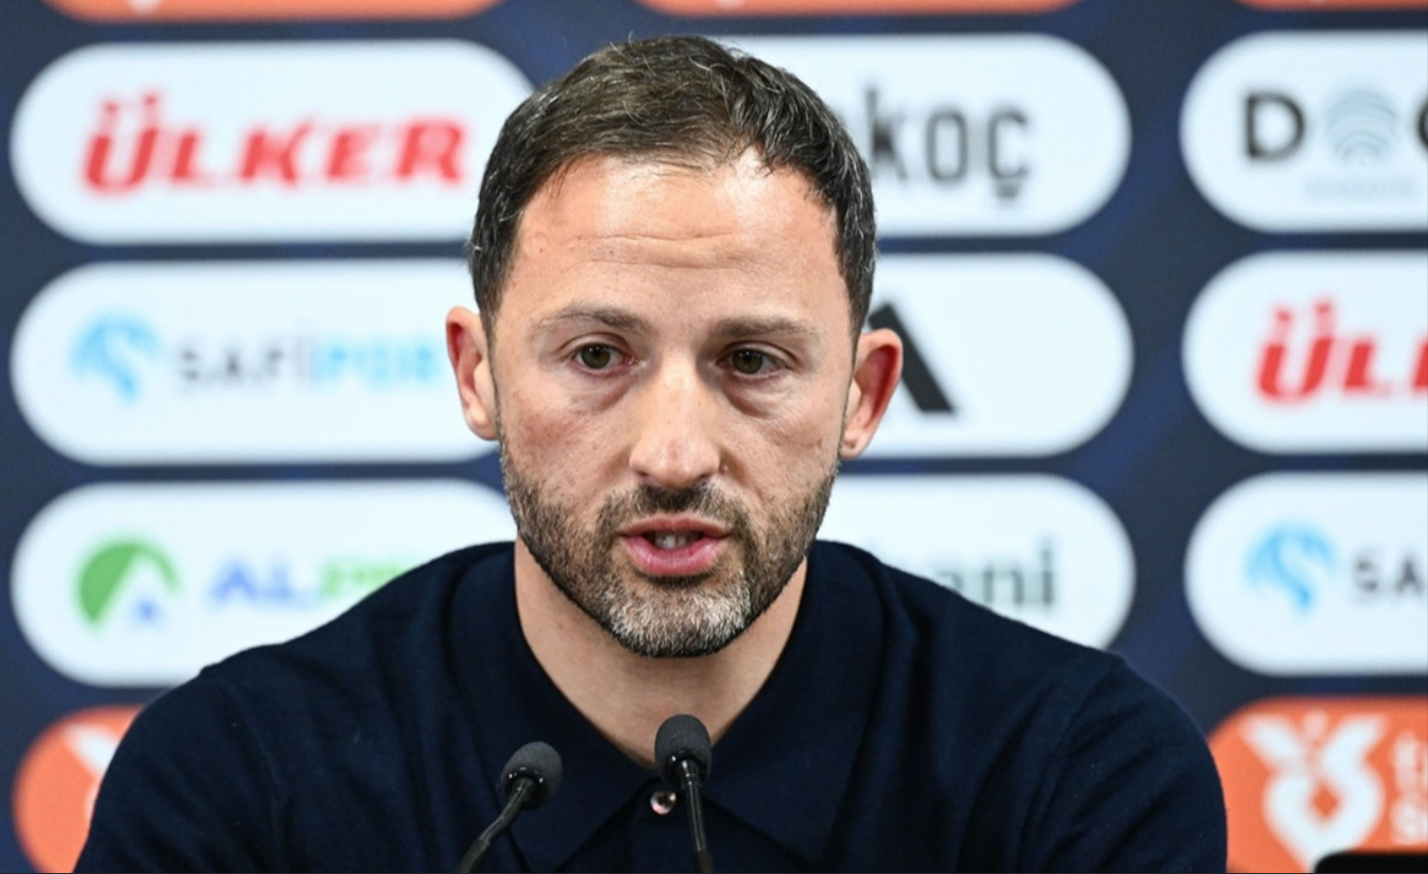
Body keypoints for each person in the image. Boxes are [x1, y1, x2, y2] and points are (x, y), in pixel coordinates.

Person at [76, 35, 1225, 872]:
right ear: (477, 375)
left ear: (865, 394)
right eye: (596, 355)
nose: (674, 454)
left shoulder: (1078, 775)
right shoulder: (234, 780)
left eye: (753, 361)